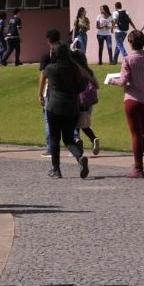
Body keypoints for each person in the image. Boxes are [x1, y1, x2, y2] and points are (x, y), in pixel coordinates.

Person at [108, 29, 144, 178]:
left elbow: (123, 81)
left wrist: (112, 81)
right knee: (141, 132)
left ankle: (138, 168)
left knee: (136, 134)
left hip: (133, 100)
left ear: (130, 43)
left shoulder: (128, 59)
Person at [39, 43, 91, 179]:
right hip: (72, 107)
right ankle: (79, 158)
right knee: (68, 138)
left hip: (54, 106)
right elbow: (82, 87)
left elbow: (43, 78)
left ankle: (56, 169)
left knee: (54, 138)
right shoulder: (74, 68)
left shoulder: (50, 68)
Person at [71, 46, 99, 155]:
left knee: (74, 122)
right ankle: (93, 138)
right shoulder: (89, 71)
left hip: (77, 99)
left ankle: (77, 140)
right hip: (88, 101)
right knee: (84, 122)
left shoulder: (74, 71)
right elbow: (96, 84)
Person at [39, 28, 62, 158]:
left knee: (48, 120)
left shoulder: (46, 56)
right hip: (67, 90)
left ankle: (50, 147)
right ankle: (75, 142)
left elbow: (43, 76)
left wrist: (40, 94)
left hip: (51, 90)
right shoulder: (66, 53)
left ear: (48, 40)